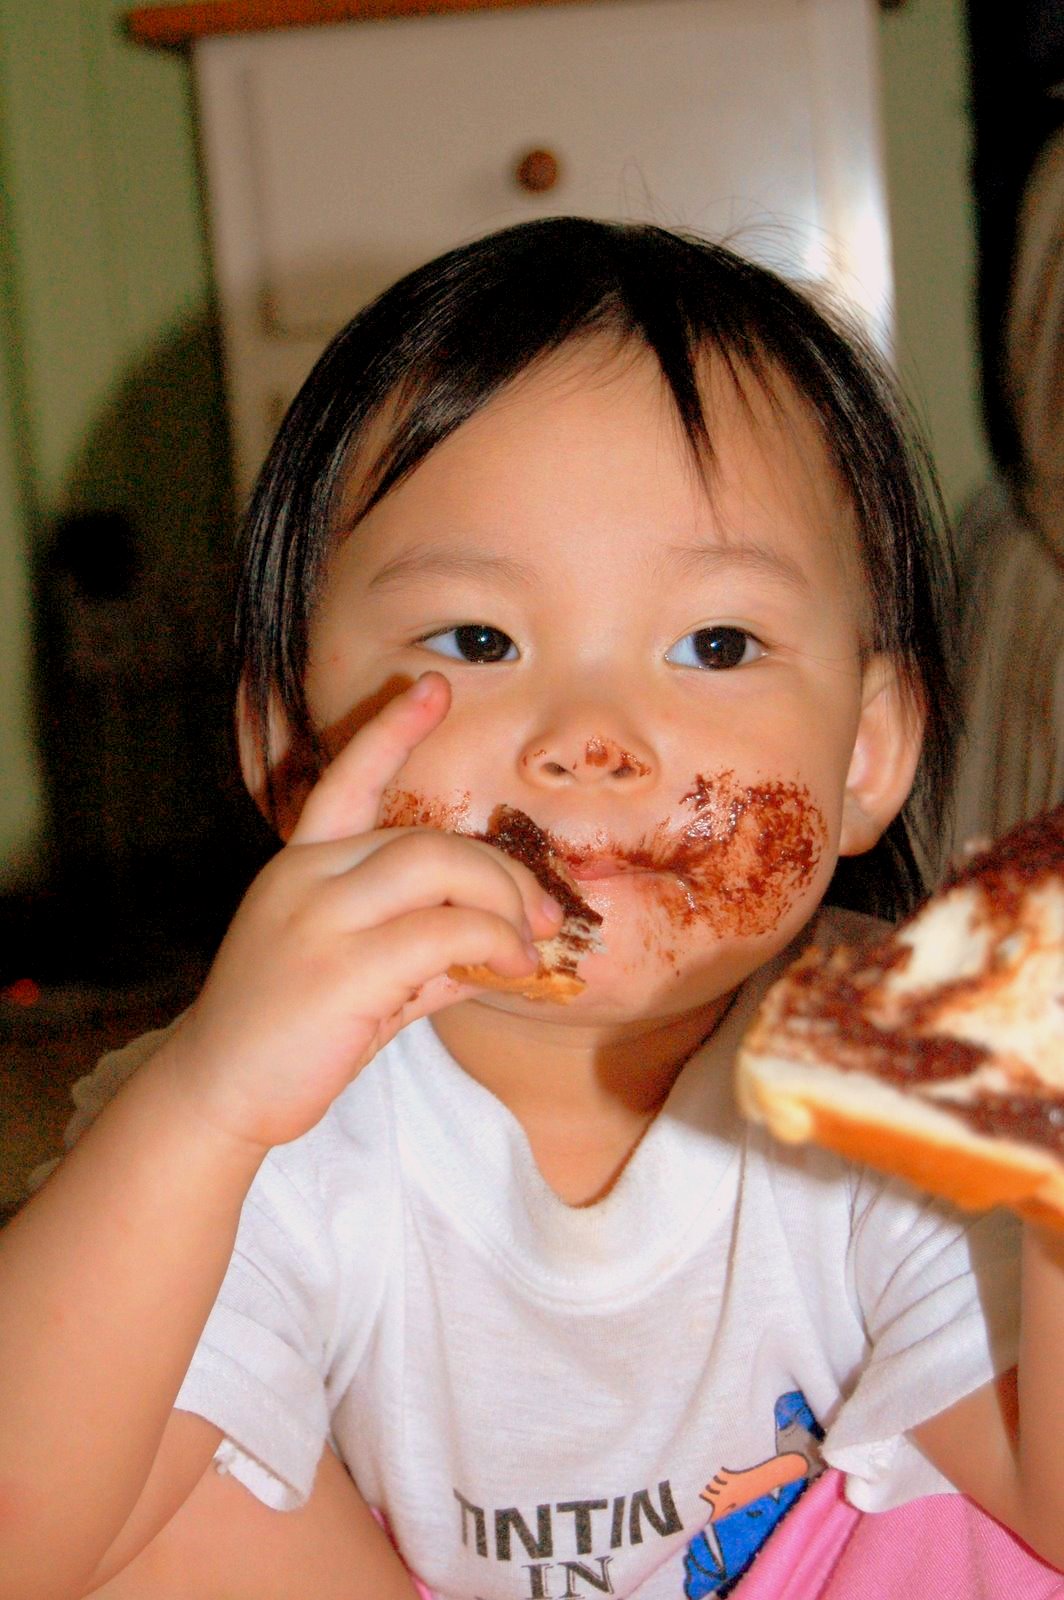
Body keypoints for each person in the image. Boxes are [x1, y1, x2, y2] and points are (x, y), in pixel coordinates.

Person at [1, 218, 1060, 1600]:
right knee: (138, 1469)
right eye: (479, 641)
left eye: (716, 643)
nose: (591, 739)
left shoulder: (897, 1070)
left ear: (863, 755)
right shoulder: (284, 1116)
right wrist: (207, 1108)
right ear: (293, 752)